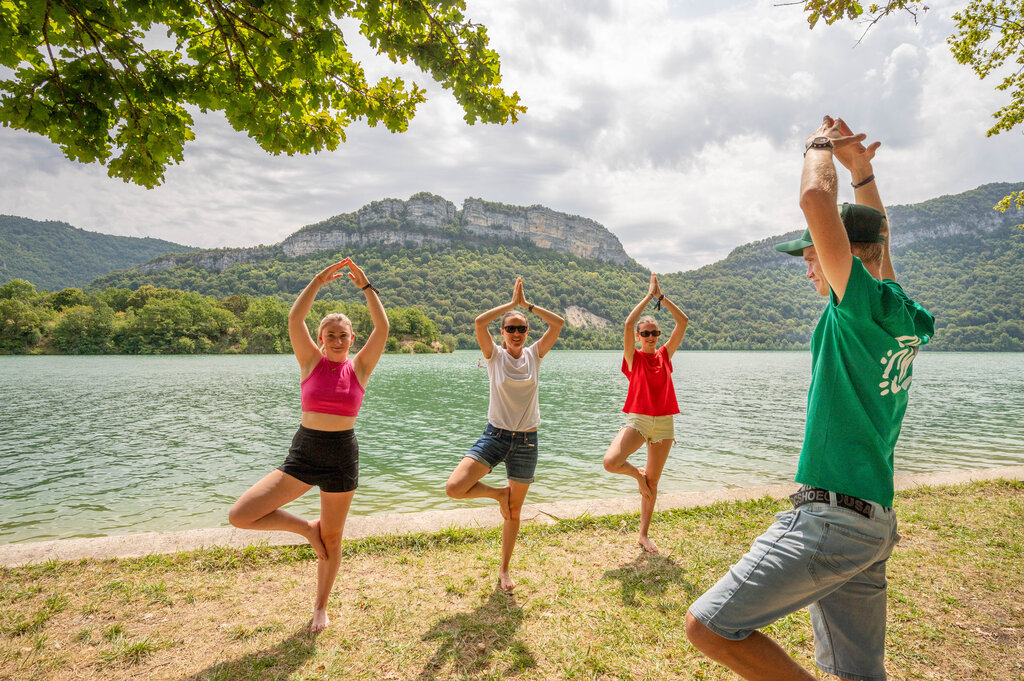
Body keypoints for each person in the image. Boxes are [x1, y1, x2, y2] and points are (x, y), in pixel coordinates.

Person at [685, 116, 935, 681]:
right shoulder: (899, 312)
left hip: (833, 518)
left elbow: (812, 200)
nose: (807, 266)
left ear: (843, 252)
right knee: (858, 674)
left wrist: (819, 148)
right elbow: (880, 241)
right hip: (873, 524)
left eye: (811, 255)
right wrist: (863, 173)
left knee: (708, 626)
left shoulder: (853, 308)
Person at [228, 258, 389, 633]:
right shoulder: (310, 362)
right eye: (329, 335)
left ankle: (320, 607)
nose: (336, 340)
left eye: (343, 335)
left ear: (352, 339)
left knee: (334, 537)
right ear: (320, 339)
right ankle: (305, 529)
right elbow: (293, 319)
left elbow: (382, 326)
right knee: (241, 514)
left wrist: (367, 287)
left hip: (342, 457)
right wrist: (318, 280)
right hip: (305, 452)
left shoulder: (361, 368)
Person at [445, 277, 564, 592]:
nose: (515, 333)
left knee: (514, 512)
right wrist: (512, 305)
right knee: (455, 487)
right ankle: (498, 493)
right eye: (510, 328)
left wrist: (528, 307)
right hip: (495, 436)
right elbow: (478, 322)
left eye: (521, 328)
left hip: (527, 441)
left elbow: (560, 323)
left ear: (527, 333)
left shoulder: (535, 355)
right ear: (502, 333)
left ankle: (505, 570)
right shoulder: (494, 356)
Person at [602, 272, 688, 553]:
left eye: (654, 333)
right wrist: (649, 296)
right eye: (646, 333)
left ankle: (643, 534)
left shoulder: (664, 355)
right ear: (639, 337)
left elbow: (683, 321)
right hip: (638, 420)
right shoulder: (634, 358)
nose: (650, 337)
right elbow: (627, 324)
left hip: (664, 423)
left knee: (654, 482)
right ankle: (637, 477)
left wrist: (662, 297)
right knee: (612, 461)